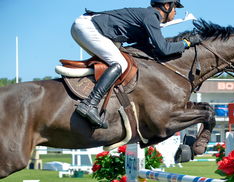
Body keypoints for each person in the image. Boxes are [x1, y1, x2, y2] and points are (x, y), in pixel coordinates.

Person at [71, 0, 202, 128]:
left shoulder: (147, 17)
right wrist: (187, 43)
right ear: (167, 6)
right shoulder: (151, 17)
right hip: (89, 28)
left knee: (116, 62)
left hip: (86, 27)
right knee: (120, 63)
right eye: (175, 8)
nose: (175, 12)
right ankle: (89, 104)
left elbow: (150, 48)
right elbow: (164, 49)